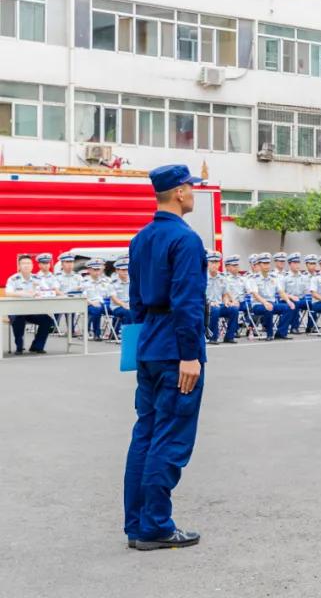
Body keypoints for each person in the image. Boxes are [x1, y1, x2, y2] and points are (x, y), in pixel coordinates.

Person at [123, 163, 207, 550]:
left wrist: (140, 346)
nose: (194, 192)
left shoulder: (141, 238)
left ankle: (137, 524)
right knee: (170, 437)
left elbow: (136, 301)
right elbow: (188, 302)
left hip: (149, 344)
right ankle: (155, 525)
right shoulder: (186, 240)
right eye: (191, 187)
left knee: (145, 433)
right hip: (177, 348)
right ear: (179, 193)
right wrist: (189, 356)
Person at [5, 255, 51, 354]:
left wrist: (40, 293)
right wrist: (25, 294)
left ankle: (37, 346)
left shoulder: (38, 278)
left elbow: (47, 291)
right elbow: (8, 293)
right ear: (19, 266)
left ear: (32, 266)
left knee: (47, 320)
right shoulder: (13, 279)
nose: (26, 265)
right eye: (23, 263)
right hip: (16, 310)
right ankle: (19, 346)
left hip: (32, 310)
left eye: (28, 263)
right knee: (18, 319)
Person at [250, 254, 295, 341]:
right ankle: (269, 334)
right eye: (264, 263)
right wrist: (265, 303)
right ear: (259, 265)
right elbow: (255, 294)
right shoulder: (254, 278)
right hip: (258, 305)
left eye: (268, 263)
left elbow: (281, 292)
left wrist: (288, 301)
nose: (267, 266)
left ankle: (281, 333)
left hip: (271, 304)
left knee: (289, 307)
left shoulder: (274, 277)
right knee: (269, 308)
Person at [206, 252, 238, 344]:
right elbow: (199, 294)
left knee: (234, 309)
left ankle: (229, 336)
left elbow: (224, 294)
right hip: (206, 306)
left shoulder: (222, 277)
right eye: (212, 262)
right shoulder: (203, 277)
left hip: (219, 305)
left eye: (217, 262)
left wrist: (227, 302)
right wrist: (209, 303)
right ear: (208, 263)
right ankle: (213, 337)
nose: (215, 265)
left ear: (219, 264)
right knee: (215, 310)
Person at [282, 253, 312, 334]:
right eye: (294, 263)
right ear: (289, 264)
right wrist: (290, 296)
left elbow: (307, 291)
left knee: (313, 303)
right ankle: (294, 327)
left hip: (301, 299)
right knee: (296, 303)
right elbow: (281, 292)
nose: (297, 265)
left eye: (298, 262)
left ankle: (311, 326)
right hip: (288, 300)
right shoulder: (285, 277)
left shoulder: (303, 277)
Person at [83, 259, 113, 340]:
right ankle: (97, 334)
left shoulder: (108, 281)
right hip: (89, 304)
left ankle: (114, 333)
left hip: (105, 304)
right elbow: (82, 297)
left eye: (99, 269)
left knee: (120, 309)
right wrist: (92, 303)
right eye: (95, 269)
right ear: (89, 270)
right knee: (96, 309)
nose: (97, 272)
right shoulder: (84, 282)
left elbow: (113, 295)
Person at [110, 258, 134, 331]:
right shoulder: (112, 283)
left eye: (127, 269)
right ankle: (128, 334)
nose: (126, 272)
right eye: (123, 270)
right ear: (117, 270)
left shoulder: (133, 281)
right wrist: (124, 305)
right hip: (117, 307)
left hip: (131, 305)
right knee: (128, 312)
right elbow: (114, 298)